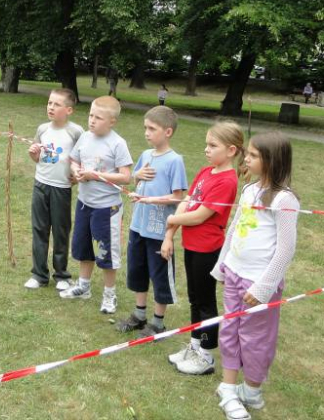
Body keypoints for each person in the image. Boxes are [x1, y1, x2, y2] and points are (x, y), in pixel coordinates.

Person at [209, 132, 299, 420]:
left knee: (255, 338)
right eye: (246, 153)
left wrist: (264, 287)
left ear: (272, 160)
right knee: (229, 329)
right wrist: (222, 264)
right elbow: (234, 228)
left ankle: (251, 390)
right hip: (234, 274)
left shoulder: (284, 200)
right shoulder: (248, 190)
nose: (245, 159)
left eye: (253, 155)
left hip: (258, 284)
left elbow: (286, 249)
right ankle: (228, 387)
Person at [163, 121, 244, 376]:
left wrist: (172, 219)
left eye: (213, 145)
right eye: (206, 144)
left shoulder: (227, 181)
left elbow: (200, 216)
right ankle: (195, 346)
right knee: (194, 298)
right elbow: (187, 202)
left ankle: (206, 356)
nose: (206, 149)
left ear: (231, 150)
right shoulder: (206, 171)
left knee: (206, 302)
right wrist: (171, 232)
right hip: (191, 245)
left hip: (207, 248)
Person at [114, 106, 188, 337]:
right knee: (137, 270)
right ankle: (139, 315)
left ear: (168, 132)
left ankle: (157, 322)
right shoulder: (146, 155)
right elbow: (135, 180)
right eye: (145, 127)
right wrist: (137, 179)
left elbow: (178, 197)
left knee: (159, 275)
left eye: (152, 128)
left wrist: (151, 199)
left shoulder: (175, 160)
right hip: (138, 227)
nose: (146, 132)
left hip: (158, 231)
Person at [60, 96, 133, 315]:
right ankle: (83, 286)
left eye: (98, 118)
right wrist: (76, 171)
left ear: (112, 121)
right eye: (91, 115)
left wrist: (96, 175)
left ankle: (109, 294)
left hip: (107, 209)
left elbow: (126, 177)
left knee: (107, 253)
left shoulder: (118, 143)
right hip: (84, 203)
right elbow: (74, 160)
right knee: (83, 246)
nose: (92, 120)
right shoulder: (84, 137)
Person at [24, 89, 84, 291]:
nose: (51, 107)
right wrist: (33, 153)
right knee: (39, 229)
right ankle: (39, 274)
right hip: (40, 185)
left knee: (60, 231)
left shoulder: (76, 132)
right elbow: (37, 157)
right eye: (50, 103)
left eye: (57, 104)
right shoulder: (42, 129)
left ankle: (61, 275)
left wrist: (76, 176)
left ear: (69, 110)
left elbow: (81, 158)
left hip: (61, 189)